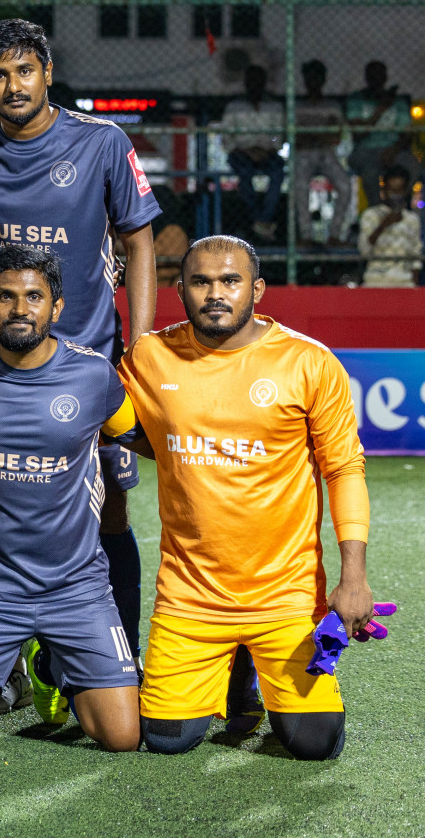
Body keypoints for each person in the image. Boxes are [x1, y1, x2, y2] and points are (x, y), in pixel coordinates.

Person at [0, 19, 160, 699]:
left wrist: (142, 346)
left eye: (24, 70)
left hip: (90, 358)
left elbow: (140, 240)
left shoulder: (101, 142)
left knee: (111, 505)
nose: (13, 85)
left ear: (48, 71)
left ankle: (108, 657)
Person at [119, 235, 375, 760]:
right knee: (168, 741)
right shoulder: (150, 357)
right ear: (181, 290)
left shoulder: (309, 363)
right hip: (191, 597)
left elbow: (344, 468)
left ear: (256, 288)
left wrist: (354, 578)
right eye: (201, 282)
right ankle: (234, 666)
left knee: (314, 743)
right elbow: (125, 425)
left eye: (231, 281)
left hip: (287, 597)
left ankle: (250, 674)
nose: (216, 293)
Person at [0, 246, 140, 751]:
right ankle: (20, 662)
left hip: (74, 587)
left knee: (122, 737)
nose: (20, 309)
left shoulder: (94, 375)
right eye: (6, 296)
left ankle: (49, 660)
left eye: (34, 297)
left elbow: (135, 432)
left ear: (55, 308)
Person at [215, 65, 286, 242]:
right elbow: (226, 138)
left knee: (278, 172)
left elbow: (279, 137)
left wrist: (267, 149)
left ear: (264, 83)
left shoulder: (274, 107)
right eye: (251, 81)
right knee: (244, 174)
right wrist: (246, 150)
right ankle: (260, 220)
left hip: (267, 154)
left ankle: (262, 219)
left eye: (258, 81)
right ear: (246, 84)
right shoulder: (234, 107)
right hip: (241, 154)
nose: (255, 85)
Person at [292, 60, 350, 246]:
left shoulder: (332, 105)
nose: (314, 82)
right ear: (305, 80)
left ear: (324, 80)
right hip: (303, 155)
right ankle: (306, 236)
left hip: (327, 153)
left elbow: (336, 137)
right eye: (310, 78)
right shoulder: (297, 106)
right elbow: (294, 139)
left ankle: (335, 235)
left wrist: (310, 134)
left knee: (345, 186)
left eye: (318, 77)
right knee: (300, 187)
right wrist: (321, 133)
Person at [345, 60, 415, 209]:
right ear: (367, 78)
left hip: (395, 149)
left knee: (413, 167)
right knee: (370, 173)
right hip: (365, 150)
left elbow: (407, 135)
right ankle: (377, 213)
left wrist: (393, 150)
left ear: (385, 78)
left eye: (380, 76)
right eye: (372, 76)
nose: (376, 80)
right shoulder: (356, 100)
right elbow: (358, 134)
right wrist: (380, 111)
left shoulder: (399, 102)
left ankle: (401, 210)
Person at [357, 166, 421, 287]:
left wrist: (415, 288)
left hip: (404, 282)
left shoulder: (412, 219)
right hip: (375, 281)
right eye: (391, 190)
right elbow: (364, 251)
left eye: (399, 190)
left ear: (406, 191)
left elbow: (416, 256)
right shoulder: (371, 215)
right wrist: (383, 225)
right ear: (384, 191)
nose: (395, 195)